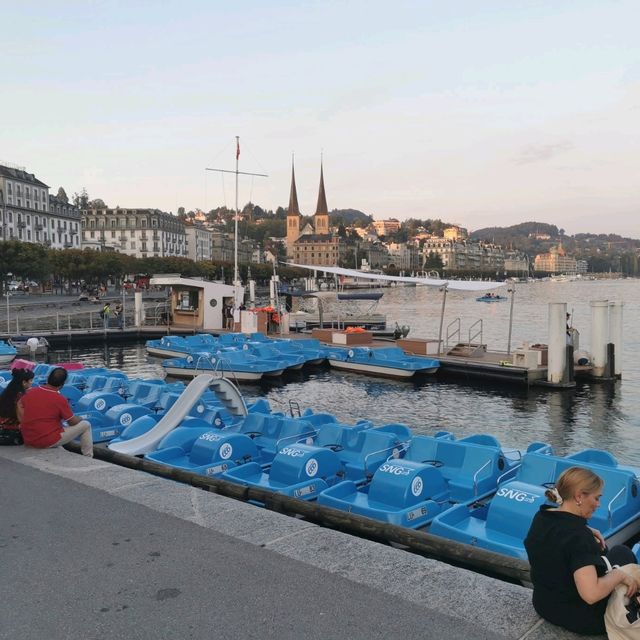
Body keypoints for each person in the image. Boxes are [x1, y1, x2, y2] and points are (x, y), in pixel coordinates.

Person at [524, 467, 638, 635]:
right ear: (579, 496)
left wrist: (587, 529)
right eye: (596, 498)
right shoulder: (578, 538)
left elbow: (560, 535)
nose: (598, 504)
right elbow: (591, 594)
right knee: (623, 553)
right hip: (581, 618)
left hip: (544, 604)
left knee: (614, 553)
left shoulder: (542, 516)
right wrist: (619, 575)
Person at [19, 367, 93, 457]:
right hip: (45, 440)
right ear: (62, 384)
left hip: (28, 438)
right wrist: (80, 418)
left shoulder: (29, 392)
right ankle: (88, 456)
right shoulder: (60, 399)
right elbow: (72, 422)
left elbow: (20, 406)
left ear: (48, 378)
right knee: (86, 424)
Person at [0, 368, 34, 445]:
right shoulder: (21, 396)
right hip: (12, 431)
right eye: (31, 380)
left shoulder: (8, 391)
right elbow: (23, 417)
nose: (32, 383)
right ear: (24, 382)